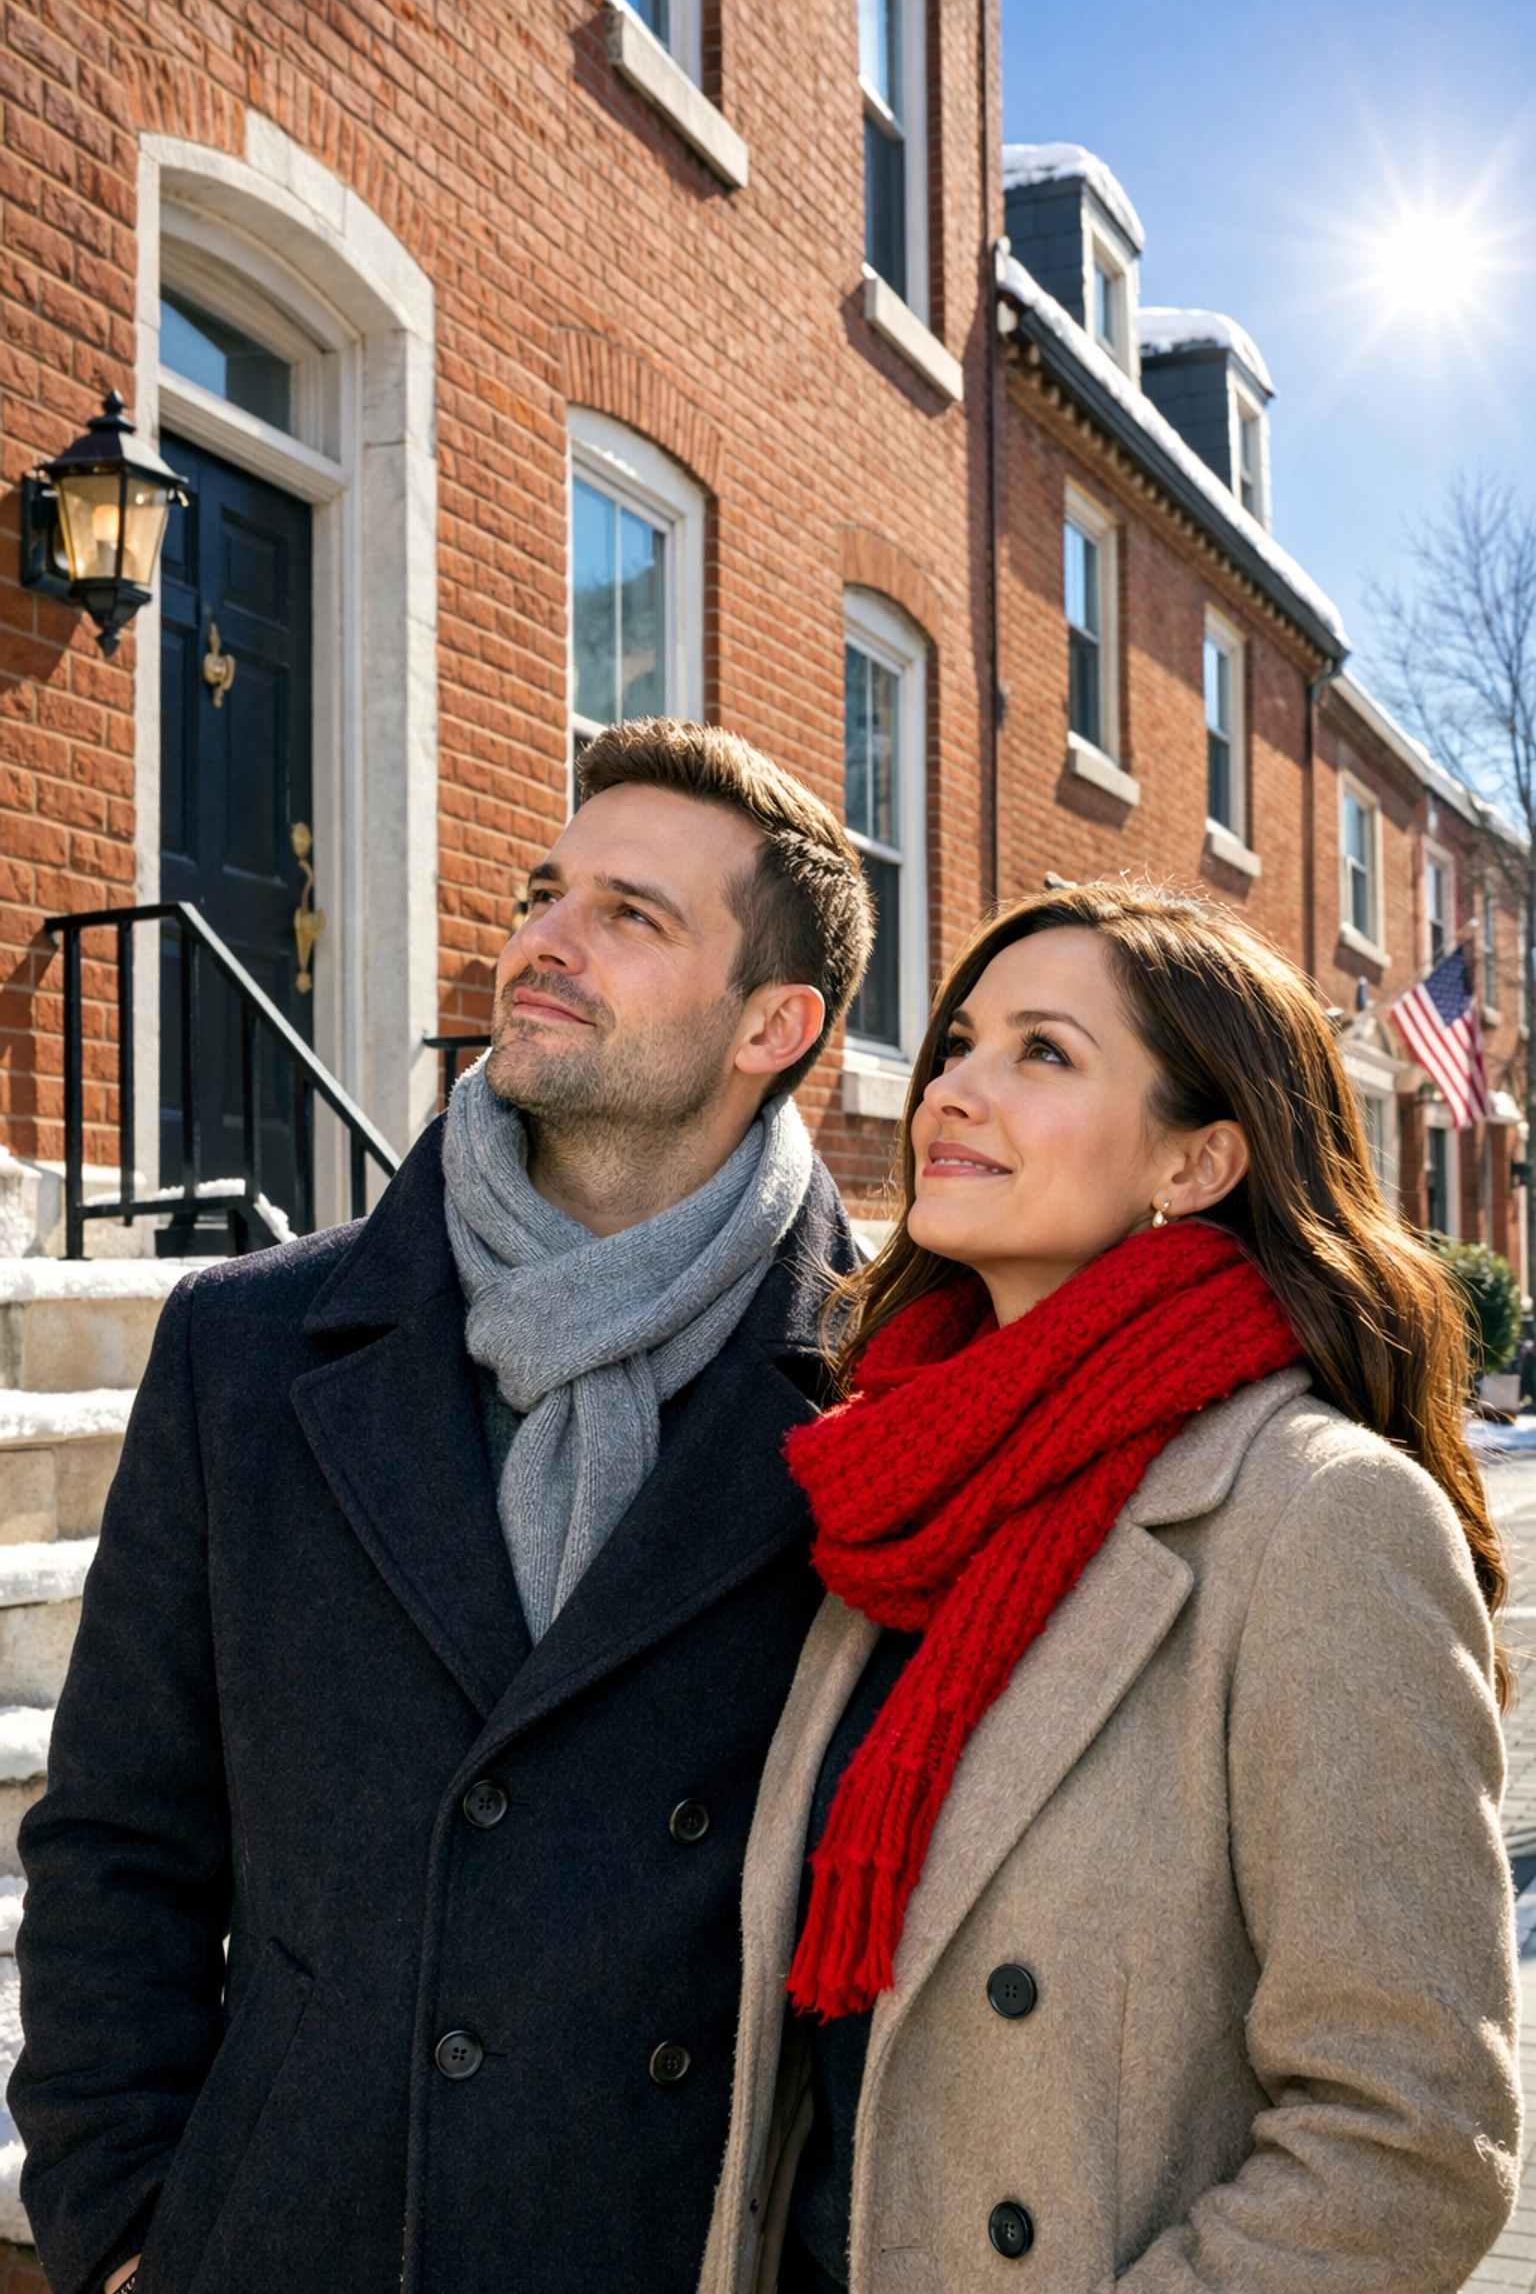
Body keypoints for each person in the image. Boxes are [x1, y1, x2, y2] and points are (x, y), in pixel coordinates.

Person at [11, 720, 874, 2294]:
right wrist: (123, 2227)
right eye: (550, 891)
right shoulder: (248, 1347)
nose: (544, 937)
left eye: (632, 915)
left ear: (775, 1023)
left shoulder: (887, 1400)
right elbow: (119, 1844)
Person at [701, 882, 1521, 2294]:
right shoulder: (898, 1480)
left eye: (1043, 1053)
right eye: (958, 1043)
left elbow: (1409, 2140)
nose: (952, 1088)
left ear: (1198, 1165)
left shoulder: (1321, 1518)